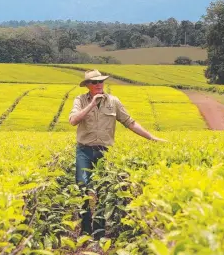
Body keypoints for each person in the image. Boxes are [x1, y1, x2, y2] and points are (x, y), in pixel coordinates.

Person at [69, 69, 167, 239]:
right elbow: (73, 120)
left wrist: (151, 137)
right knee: (83, 187)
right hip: (84, 150)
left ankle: (98, 232)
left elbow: (130, 122)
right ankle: (85, 229)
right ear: (88, 86)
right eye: (94, 82)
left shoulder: (113, 101)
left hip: (105, 151)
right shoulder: (80, 100)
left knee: (101, 189)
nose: (99, 84)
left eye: (101, 81)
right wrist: (91, 104)